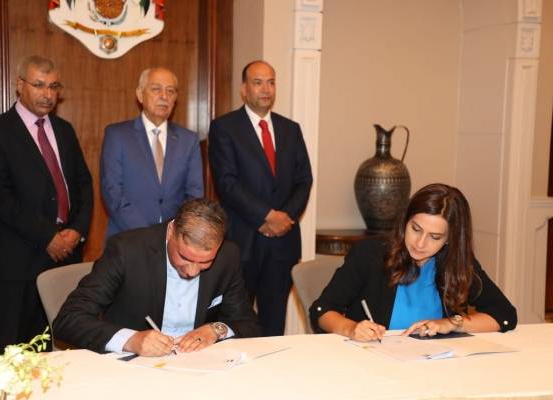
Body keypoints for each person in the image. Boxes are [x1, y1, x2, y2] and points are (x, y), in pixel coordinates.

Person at [0, 55, 93, 353]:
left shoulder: (64, 130)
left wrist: (76, 230)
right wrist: (48, 236)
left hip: (65, 258)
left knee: (63, 351)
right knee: (12, 351)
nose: (47, 94)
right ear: (19, 85)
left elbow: (83, 184)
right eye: (39, 85)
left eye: (53, 86)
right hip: (17, 261)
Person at [310, 183, 517, 342]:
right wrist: (351, 329)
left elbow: (504, 314)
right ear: (405, 222)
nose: (420, 243)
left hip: (435, 366)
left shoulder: (456, 262)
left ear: (449, 240)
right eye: (416, 229)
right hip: (372, 364)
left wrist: (452, 324)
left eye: (435, 237)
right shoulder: (370, 253)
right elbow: (322, 310)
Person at [53, 198, 261, 356]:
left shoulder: (227, 257)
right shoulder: (126, 251)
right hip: (132, 369)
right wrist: (131, 340)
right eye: (185, 257)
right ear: (171, 232)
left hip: (198, 368)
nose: (192, 272)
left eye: (205, 262)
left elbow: (248, 324)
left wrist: (216, 330)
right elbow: (68, 320)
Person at [208, 60, 313, 336]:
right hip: (243, 241)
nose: (266, 89)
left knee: (274, 324)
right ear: (244, 89)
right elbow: (226, 183)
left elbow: (304, 180)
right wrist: (266, 216)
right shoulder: (224, 127)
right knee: (236, 322)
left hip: (283, 244)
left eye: (271, 82)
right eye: (258, 82)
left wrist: (284, 218)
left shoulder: (291, 129)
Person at [100, 67, 203, 237]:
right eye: (156, 89)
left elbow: (194, 194)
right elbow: (113, 192)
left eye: (170, 91)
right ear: (140, 95)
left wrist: (171, 232)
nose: (164, 96)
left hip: (174, 239)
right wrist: (149, 234)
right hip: (127, 238)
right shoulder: (117, 135)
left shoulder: (189, 140)